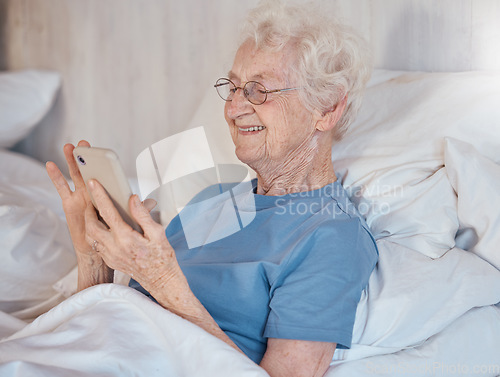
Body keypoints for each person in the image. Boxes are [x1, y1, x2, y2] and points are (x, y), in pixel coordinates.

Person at [46, 1, 377, 376]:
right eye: (233, 87)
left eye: (258, 90)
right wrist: (91, 258)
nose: (234, 108)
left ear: (328, 108)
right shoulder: (212, 200)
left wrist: (166, 284)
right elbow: (101, 324)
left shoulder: (331, 236)